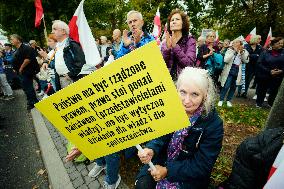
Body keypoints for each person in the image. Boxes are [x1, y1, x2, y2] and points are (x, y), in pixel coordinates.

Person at [136, 67, 224, 189]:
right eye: (182, 92)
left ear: (205, 95)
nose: (186, 101)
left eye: (195, 94)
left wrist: (168, 171)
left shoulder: (213, 125)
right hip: (161, 161)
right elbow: (161, 136)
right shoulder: (170, 109)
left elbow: (203, 165)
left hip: (189, 176)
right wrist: (152, 149)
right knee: (142, 185)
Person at [48, 20, 86, 90]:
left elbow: (81, 63)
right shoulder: (57, 46)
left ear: (63, 31)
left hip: (71, 80)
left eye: (55, 29)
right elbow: (56, 63)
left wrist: (71, 75)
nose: (52, 32)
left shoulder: (72, 45)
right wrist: (45, 62)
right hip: (60, 80)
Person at [161, 9, 196, 81]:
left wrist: (175, 47)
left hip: (182, 82)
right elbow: (162, 64)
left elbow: (189, 65)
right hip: (166, 80)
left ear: (183, 24)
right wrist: (167, 49)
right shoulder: (165, 41)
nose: (174, 21)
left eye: (177, 19)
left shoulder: (190, 41)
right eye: (172, 20)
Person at [10, 34, 39, 110]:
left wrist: (20, 68)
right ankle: (32, 101)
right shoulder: (17, 49)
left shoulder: (26, 48)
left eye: (12, 39)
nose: (11, 41)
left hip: (26, 71)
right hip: (22, 72)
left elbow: (27, 59)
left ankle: (33, 102)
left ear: (18, 40)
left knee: (28, 87)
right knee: (25, 87)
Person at [218, 39, 249, 107]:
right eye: (234, 43)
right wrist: (234, 52)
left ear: (240, 44)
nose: (235, 44)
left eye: (237, 42)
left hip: (238, 71)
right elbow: (226, 60)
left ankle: (228, 100)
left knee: (234, 87)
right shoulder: (229, 51)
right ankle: (221, 100)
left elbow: (246, 61)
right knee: (226, 86)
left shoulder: (244, 51)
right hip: (229, 70)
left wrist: (241, 53)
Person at [256, 37, 284, 107]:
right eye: (278, 43)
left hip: (277, 76)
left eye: (281, 43)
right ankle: (259, 103)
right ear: (273, 45)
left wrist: (281, 71)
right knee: (261, 90)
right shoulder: (265, 52)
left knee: (274, 91)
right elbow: (259, 63)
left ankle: (270, 104)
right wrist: (269, 71)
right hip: (264, 75)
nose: (280, 45)